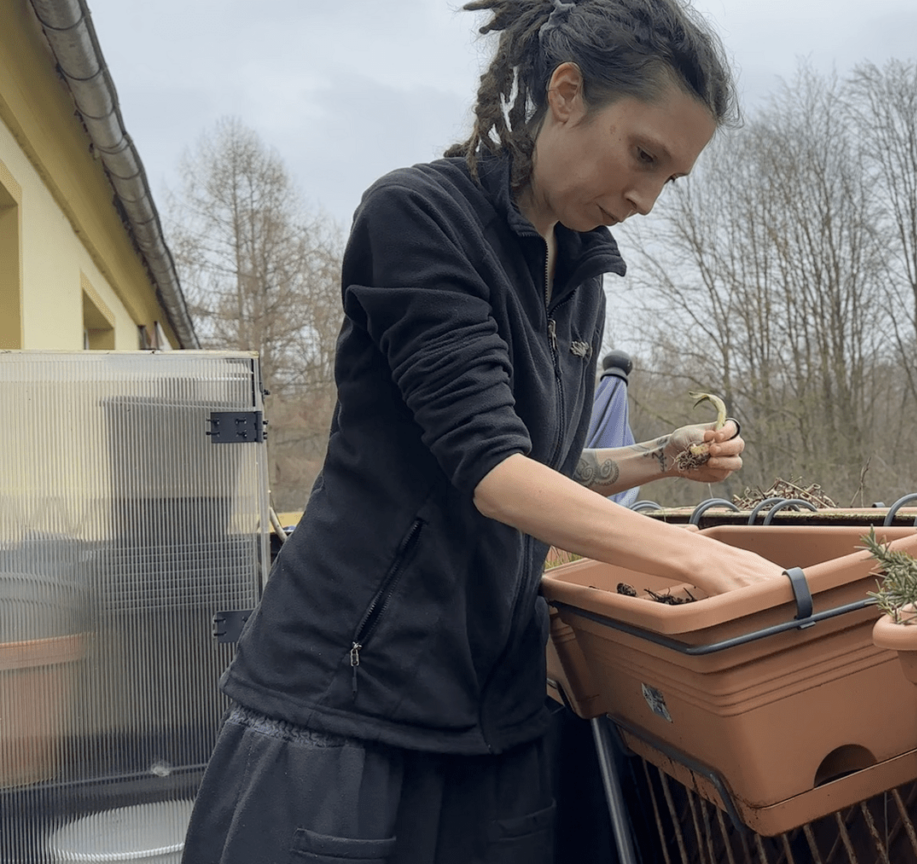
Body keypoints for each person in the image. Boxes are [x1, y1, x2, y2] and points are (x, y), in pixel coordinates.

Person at [181, 0, 784, 861]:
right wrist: (700, 556)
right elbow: (493, 470)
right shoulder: (419, 219)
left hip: (490, 708)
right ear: (566, 94)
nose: (647, 200)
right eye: (643, 156)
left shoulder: (578, 279)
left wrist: (662, 459)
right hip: (345, 702)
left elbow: (543, 468)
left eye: (671, 178)